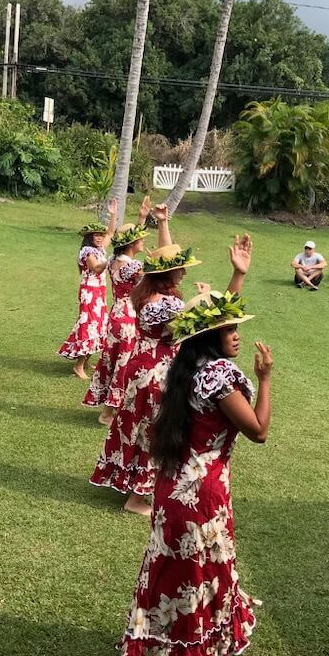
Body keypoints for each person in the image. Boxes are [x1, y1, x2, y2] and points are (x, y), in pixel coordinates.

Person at [112, 290, 272, 656]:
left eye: (234, 327)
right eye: (227, 329)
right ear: (207, 336)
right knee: (194, 576)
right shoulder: (218, 376)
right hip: (202, 494)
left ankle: (159, 651)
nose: (235, 335)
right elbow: (258, 430)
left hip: (171, 489)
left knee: (168, 572)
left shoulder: (182, 368)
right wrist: (266, 379)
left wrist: (235, 277)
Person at [91, 206, 251, 515]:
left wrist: (163, 222)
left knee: (136, 428)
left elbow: (166, 255)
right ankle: (136, 498)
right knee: (154, 430)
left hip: (143, 368)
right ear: (167, 276)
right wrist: (237, 276)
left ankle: (130, 486)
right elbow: (215, 318)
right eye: (180, 269)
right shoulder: (164, 306)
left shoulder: (146, 293)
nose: (185, 272)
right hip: (157, 373)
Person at [84, 196, 152, 426]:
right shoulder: (134, 267)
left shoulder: (114, 259)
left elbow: (124, 252)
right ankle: (108, 412)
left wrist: (142, 218)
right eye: (140, 239)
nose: (143, 241)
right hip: (128, 319)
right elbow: (154, 277)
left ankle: (111, 407)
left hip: (115, 315)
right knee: (123, 364)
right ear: (133, 244)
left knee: (113, 360)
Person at [58, 199, 119, 379]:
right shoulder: (88, 251)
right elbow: (97, 268)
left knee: (98, 326)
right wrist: (115, 258)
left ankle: (84, 361)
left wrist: (113, 213)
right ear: (89, 237)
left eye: (100, 235)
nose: (100, 237)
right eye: (96, 235)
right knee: (89, 326)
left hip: (99, 293)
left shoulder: (99, 249)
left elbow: (111, 232)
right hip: (89, 292)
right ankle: (78, 366)